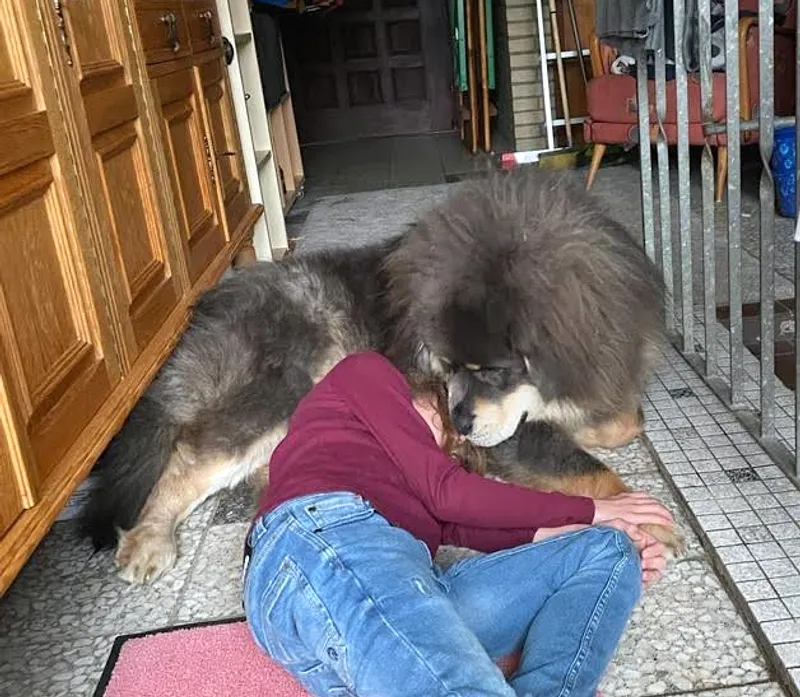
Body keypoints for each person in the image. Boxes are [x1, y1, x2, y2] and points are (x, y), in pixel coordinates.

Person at [242, 351, 672, 697]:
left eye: (450, 452)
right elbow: (447, 491)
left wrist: (596, 532)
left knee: (607, 551)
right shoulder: (366, 374)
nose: (449, 445)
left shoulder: (426, 498)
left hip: (399, 590)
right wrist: (594, 508)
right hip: (325, 547)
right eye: (443, 429)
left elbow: (478, 522)